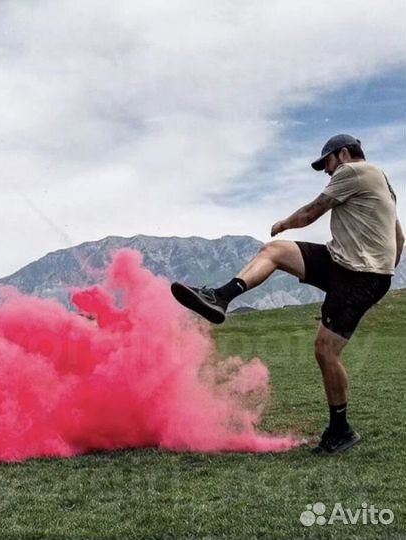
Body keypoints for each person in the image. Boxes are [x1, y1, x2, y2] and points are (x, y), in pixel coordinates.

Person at [171, 134, 404, 455]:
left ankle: (341, 431)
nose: (326, 171)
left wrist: (283, 223)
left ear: (345, 154)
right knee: (275, 252)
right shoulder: (384, 186)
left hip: (359, 276)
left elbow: (311, 213)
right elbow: (400, 237)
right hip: (345, 265)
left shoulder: (353, 172)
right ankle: (220, 297)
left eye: (328, 163)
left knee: (326, 350)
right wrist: (386, 273)